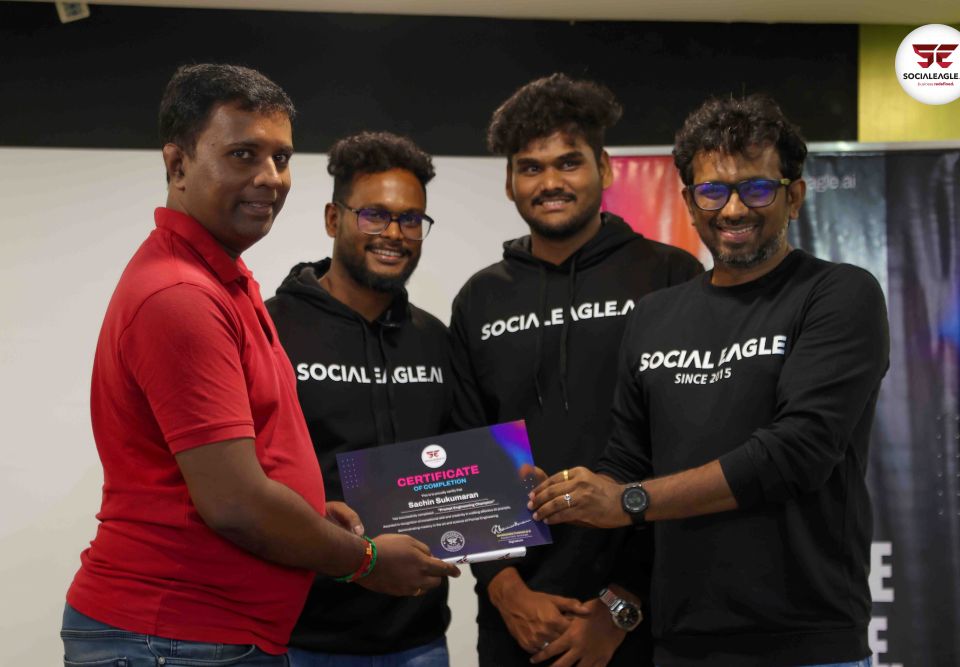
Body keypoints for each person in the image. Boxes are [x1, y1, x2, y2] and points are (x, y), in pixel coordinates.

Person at [63, 64, 458, 667]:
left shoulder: (224, 281)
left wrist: (311, 509)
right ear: (177, 165)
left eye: (282, 157)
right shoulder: (181, 295)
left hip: (208, 634)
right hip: (176, 636)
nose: (270, 177)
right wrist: (367, 562)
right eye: (243, 154)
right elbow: (235, 504)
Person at [528, 94, 890, 667]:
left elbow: (797, 451)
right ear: (690, 203)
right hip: (681, 641)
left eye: (757, 188)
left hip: (805, 641)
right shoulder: (654, 316)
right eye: (713, 191)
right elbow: (629, 458)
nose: (734, 209)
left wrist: (628, 500)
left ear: (794, 196)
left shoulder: (838, 294)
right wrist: (565, 492)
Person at [449, 73, 703, 667]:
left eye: (569, 162)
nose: (550, 183)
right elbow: (466, 445)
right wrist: (503, 588)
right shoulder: (479, 298)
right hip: (518, 618)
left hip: (642, 614)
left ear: (605, 168)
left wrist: (623, 602)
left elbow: (691, 448)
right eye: (531, 168)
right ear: (509, 182)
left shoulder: (671, 276)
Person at [266, 131, 453, 666]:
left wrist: (509, 486)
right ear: (333, 219)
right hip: (298, 640)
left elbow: (459, 462)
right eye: (374, 215)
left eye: (411, 219)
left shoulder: (435, 340)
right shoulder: (270, 329)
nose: (394, 234)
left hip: (417, 641)